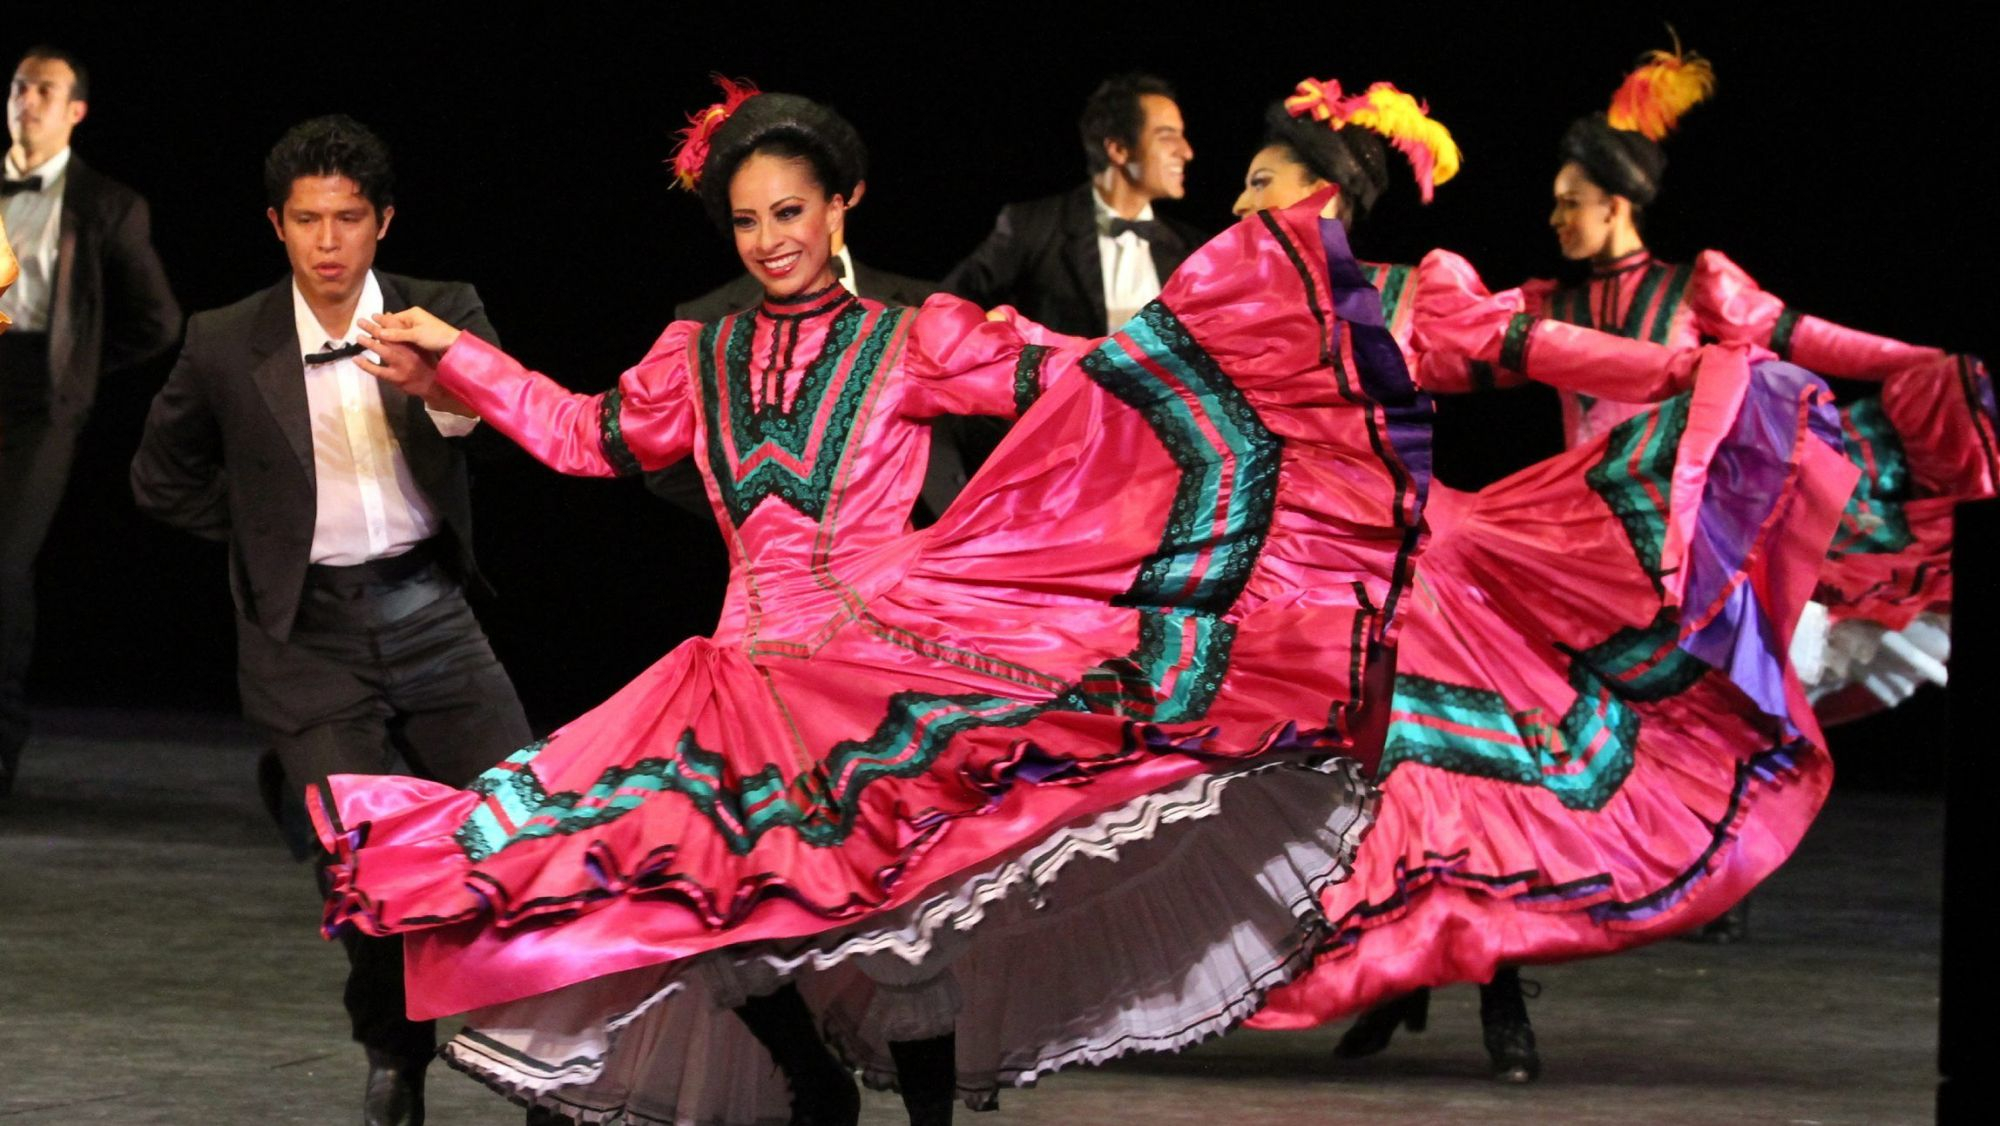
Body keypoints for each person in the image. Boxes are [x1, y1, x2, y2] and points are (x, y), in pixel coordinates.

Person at [308, 82, 1427, 1125]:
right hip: (739, 675)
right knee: (707, 904)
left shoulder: (912, 338)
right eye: (746, 222)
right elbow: (587, 434)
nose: (769, 240)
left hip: (880, 662)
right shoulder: (700, 352)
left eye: (790, 210)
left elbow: (1081, 375)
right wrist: (458, 360)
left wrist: (1263, 326)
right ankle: (813, 1086)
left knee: (901, 933)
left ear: (843, 202)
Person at [1221, 76, 1857, 1082]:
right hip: (1299, 570)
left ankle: (1497, 995)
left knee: (1453, 787)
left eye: (1259, 182)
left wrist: (1683, 376)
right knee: (1351, 790)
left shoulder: (1405, 292)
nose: (1236, 204)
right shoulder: (1239, 303)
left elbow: (1531, 344)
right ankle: (1396, 973)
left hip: (1416, 570)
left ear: (1321, 194)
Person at [129, 114, 531, 1126]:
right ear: (276, 223)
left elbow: (512, 433)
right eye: (306, 219)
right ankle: (396, 1059)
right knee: (372, 866)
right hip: (305, 638)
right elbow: (158, 477)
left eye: (347, 218)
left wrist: (445, 391)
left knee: (525, 831)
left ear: (382, 221)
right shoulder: (227, 338)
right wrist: (265, 535)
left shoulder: (445, 310)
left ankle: (554, 1070)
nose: (326, 242)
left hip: (431, 613)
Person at [1, 45, 179, 796]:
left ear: (74, 110)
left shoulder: (107, 203)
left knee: (1, 571)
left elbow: (158, 322)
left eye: (45, 89)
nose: (26, 99)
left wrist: (76, 375)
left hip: (38, 405)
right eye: (18, 86)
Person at [942, 72, 1204, 337]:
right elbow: (948, 307)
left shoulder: (1191, 250)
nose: (1186, 151)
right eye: (1167, 136)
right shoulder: (1033, 226)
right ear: (1118, 149)